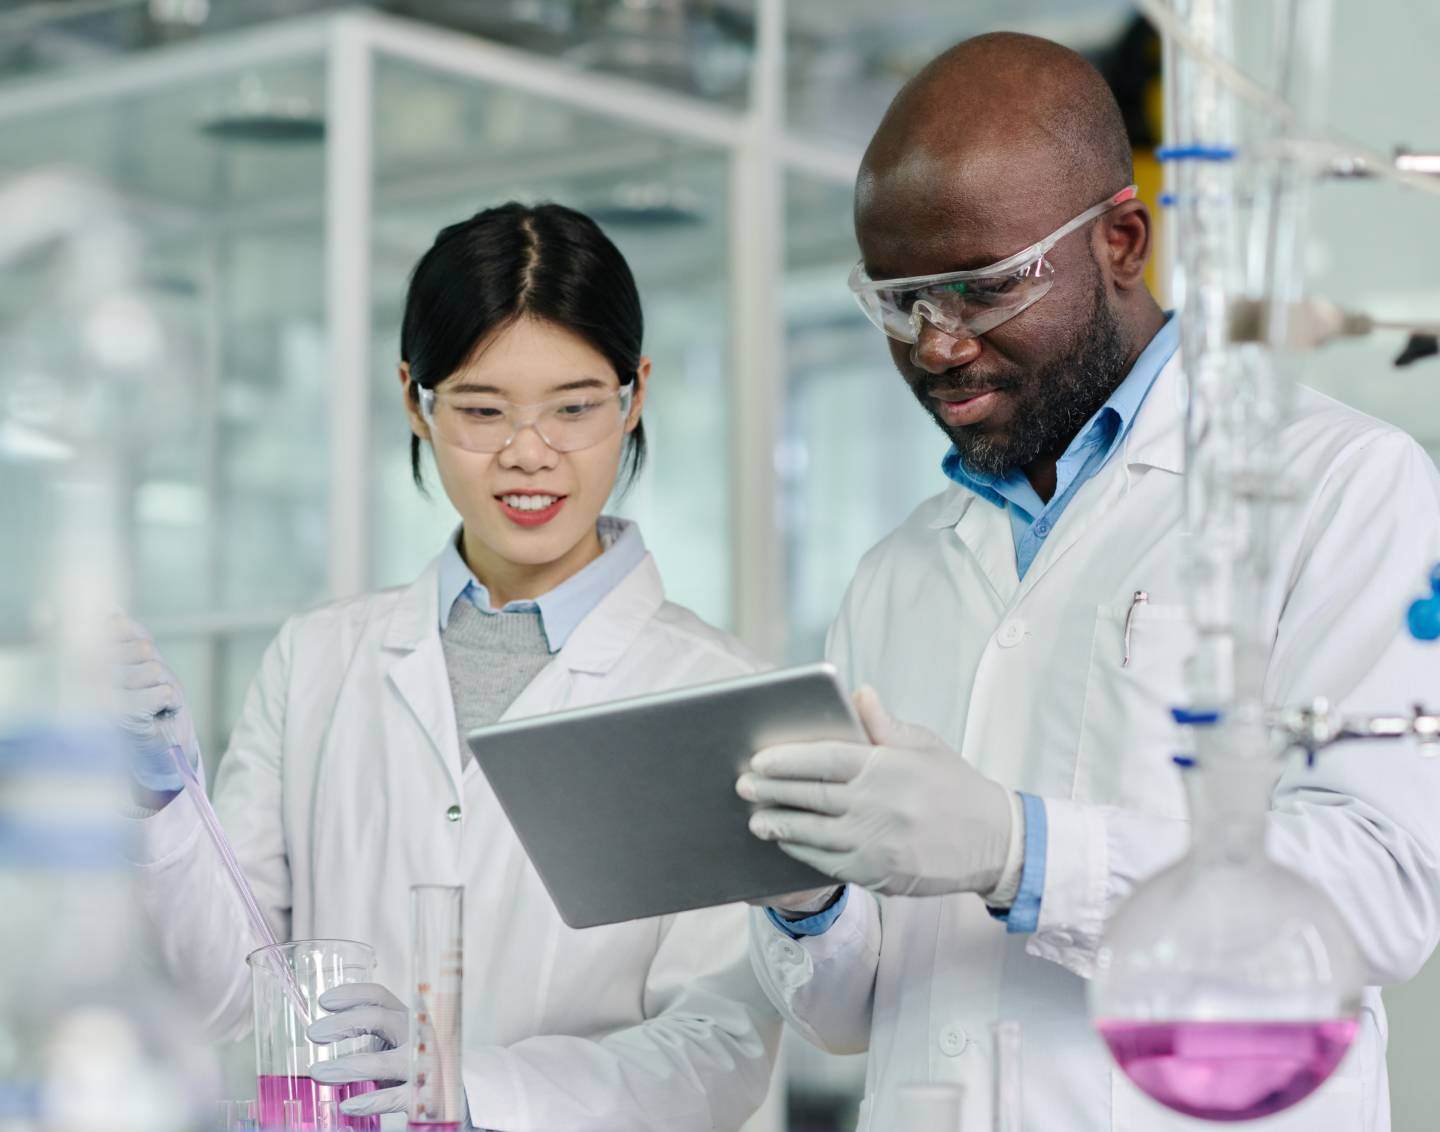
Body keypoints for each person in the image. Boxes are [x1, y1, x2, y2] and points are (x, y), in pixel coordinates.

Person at [736, 32, 1440, 1132]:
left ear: (1121, 238)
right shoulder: (897, 573)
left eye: (980, 289)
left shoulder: (1341, 486)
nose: (938, 345)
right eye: (900, 300)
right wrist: (805, 896)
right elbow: (847, 1013)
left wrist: (1019, 848)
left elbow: (1382, 889)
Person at [115, 202, 778, 1131]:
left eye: (576, 408)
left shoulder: (715, 692)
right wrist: (166, 807)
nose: (529, 455)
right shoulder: (319, 660)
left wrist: (469, 1089)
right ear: (413, 401)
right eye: (480, 409)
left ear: (635, 396)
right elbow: (232, 994)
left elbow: (720, 1046)